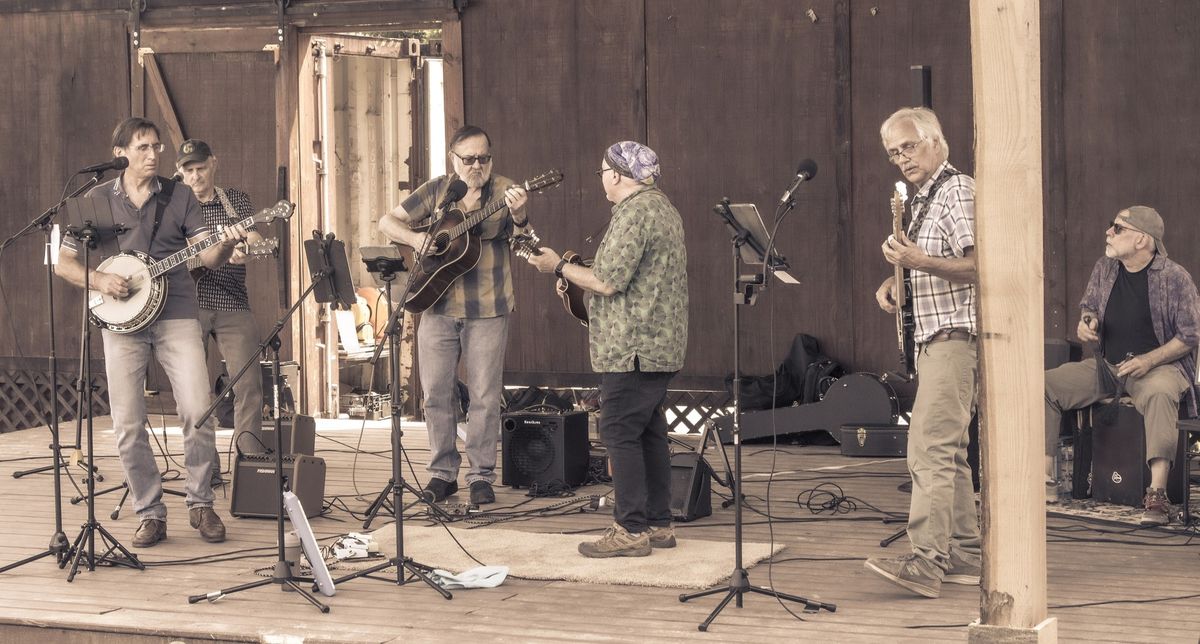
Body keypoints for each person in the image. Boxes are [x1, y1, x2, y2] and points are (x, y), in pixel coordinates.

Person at [54, 118, 247, 546]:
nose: (153, 154)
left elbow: (209, 257)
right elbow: (64, 262)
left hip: (177, 312)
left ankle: (201, 504)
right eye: (143, 147)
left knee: (198, 409)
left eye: (157, 146)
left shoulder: (179, 195)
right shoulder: (95, 200)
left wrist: (228, 241)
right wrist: (100, 281)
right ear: (120, 151)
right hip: (120, 321)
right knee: (127, 423)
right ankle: (150, 512)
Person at [526, 141, 688, 558]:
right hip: (658, 342)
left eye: (602, 171)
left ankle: (631, 530)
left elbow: (607, 281)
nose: (601, 178)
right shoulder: (662, 207)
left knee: (617, 430)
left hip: (632, 346)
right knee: (649, 431)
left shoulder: (635, 214)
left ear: (616, 174)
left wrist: (557, 267)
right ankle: (658, 524)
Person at [378, 125, 528, 506]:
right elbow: (386, 222)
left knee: (484, 396)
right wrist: (416, 240)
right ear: (453, 160)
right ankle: (442, 474)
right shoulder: (438, 191)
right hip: (437, 304)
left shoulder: (506, 191)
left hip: (488, 308)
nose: (477, 165)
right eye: (469, 159)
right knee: (436, 394)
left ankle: (480, 475)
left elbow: (525, 242)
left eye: (484, 158)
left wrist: (522, 217)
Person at [864, 107, 980, 597]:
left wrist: (915, 260)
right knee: (947, 453)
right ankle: (963, 554)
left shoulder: (956, 190)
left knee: (928, 449)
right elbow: (935, 267)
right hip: (934, 337)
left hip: (954, 337)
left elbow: (979, 264)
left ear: (936, 141)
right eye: (893, 152)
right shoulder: (924, 198)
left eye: (908, 147)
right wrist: (897, 284)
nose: (901, 159)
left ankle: (927, 561)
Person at [1044, 206, 1199, 525]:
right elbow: (1089, 307)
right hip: (1108, 367)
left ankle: (1157, 495)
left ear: (1141, 239)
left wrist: (1149, 360)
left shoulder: (1174, 277)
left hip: (1157, 370)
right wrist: (1088, 323)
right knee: (1046, 385)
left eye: (1117, 228)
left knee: (1159, 393)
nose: (1108, 233)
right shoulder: (1105, 268)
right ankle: (1044, 480)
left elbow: (1191, 334)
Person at [176, 139, 266, 479]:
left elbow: (256, 237)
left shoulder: (235, 200)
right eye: (189, 170)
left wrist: (245, 246)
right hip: (186, 305)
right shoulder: (174, 204)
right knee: (192, 391)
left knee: (249, 385)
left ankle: (250, 466)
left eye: (201, 168)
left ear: (214, 163)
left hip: (232, 300)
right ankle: (205, 468)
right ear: (179, 173)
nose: (196, 176)